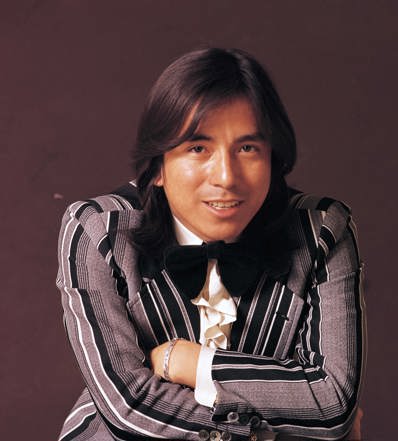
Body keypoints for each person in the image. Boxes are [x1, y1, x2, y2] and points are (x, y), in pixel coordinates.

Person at [56, 48, 366, 441]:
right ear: (157, 166)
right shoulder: (97, 230)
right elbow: (128, 410)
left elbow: (333, 404)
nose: (226, 177)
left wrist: (192, 363)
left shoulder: (322, 229)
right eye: (198, 148)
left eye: (247, 148)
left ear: (274, 159)